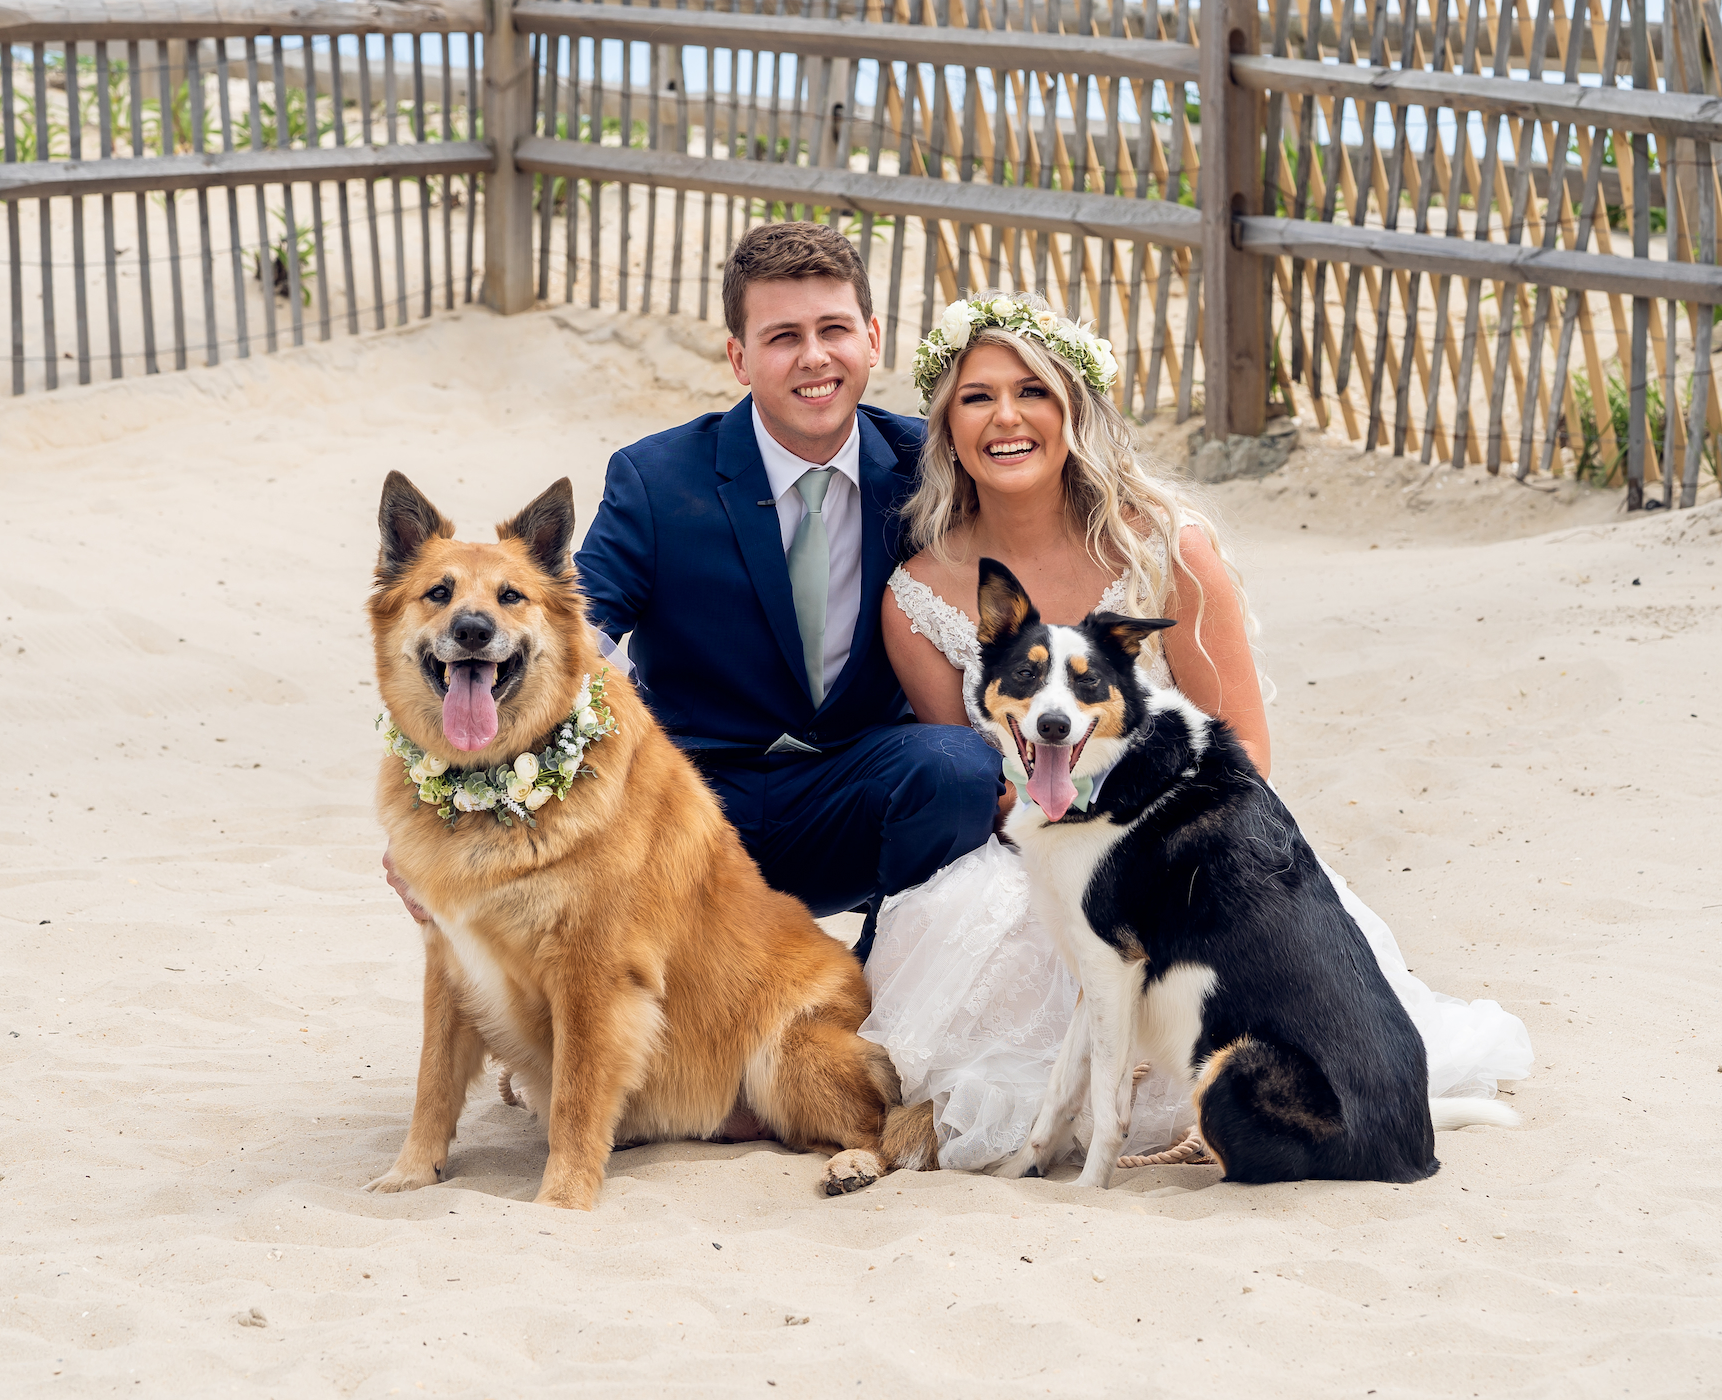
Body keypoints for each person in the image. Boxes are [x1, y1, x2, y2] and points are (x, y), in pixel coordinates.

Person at [861, 291, 1533, 1170]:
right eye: (978, 396)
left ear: (1075, 411)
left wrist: (1138, 861)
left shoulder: (1165, 549)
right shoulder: (919, 596)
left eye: (1034, 391)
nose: (1007, 417)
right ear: (947, 426)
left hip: (1189, 857)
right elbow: (960, 772)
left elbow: (1245, 750)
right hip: (1027, 862)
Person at [383, 222, 1000, 949]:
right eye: (782, 337)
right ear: (739, 358)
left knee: (959, 767)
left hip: (860, 797)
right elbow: (560, 641)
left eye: (834, 329)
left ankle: (881, 985)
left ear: (870, 337)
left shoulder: (927, 467)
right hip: (694, 809)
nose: (814, 357)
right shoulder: (657, 478)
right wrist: (441, 800)